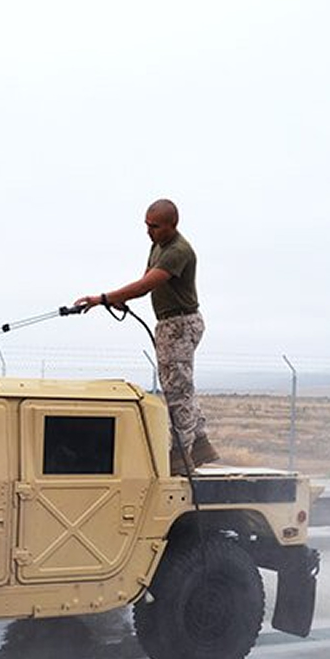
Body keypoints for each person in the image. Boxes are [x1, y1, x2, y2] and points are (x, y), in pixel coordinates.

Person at [73, 198, 219, 475]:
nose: (148, 231)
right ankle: (201, 444)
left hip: (179, 324)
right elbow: (146, 278)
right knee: (179, 384)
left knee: (177, 389)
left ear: (171, 225)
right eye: (147, 225)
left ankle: (181, 456)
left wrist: (102, 298)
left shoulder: (178, 251)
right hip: (169, 324)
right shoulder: (158, 246)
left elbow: (146, 285)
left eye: (154, 226)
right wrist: (117, 299)